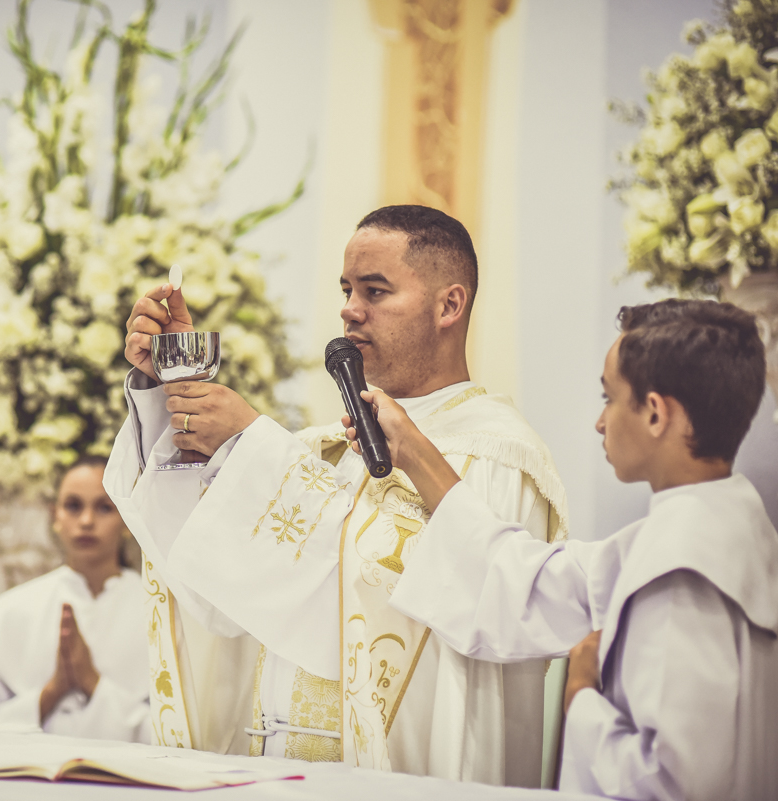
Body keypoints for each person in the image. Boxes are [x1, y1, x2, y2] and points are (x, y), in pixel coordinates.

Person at [104, 205, 569, 786]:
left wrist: (250, 445)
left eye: (375, 291)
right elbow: (210, 579)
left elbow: (403, 594)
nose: (350, 309)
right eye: (348, 289)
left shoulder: (496, 457)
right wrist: (170, 384)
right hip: (275, 772)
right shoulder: (328, 451)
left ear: (449, 305)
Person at [364, 299, 778, 799]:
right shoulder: (728, 531)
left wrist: (581, 695)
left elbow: (671, 781)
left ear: (654, 413)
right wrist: (412, 450)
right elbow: (526, 579)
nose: (600, 423)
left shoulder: (682, 572)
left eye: (609, 398)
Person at [0, 456, 150, 742]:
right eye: (73, 506)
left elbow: (176, 734)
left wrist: (92, 682)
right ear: (55, 516)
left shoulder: (158, 617)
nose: (86, 521)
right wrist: (51, 692)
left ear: (126, 519)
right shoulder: (9, 613)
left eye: (104, 508)